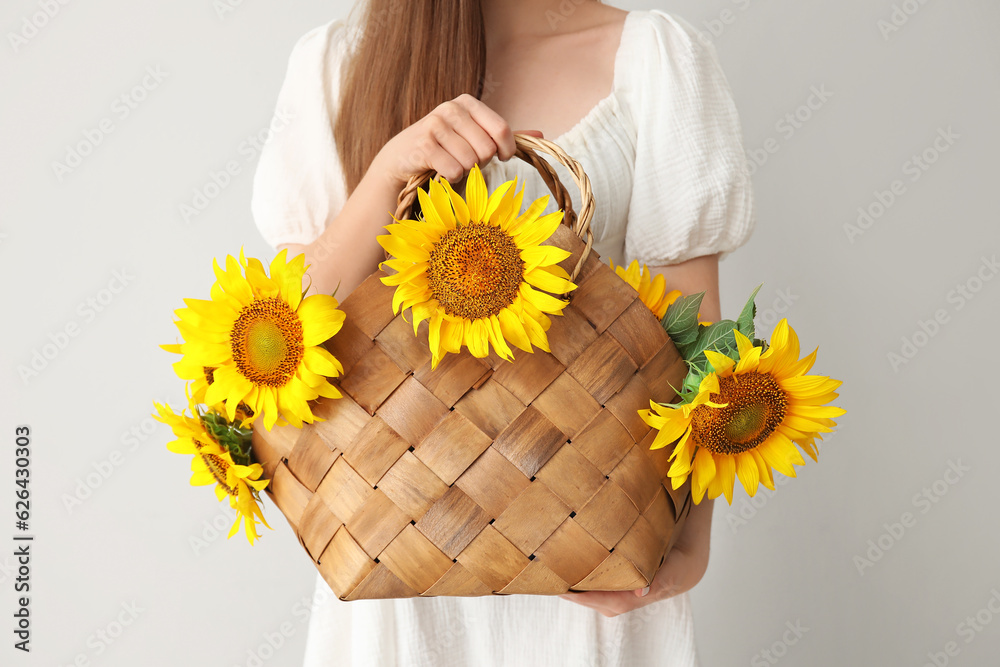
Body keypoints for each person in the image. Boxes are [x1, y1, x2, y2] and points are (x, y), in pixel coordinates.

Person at [251, 1, 755, 664]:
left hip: (590, 575)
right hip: (395, 577)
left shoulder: (655, 57)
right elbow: (274, 344)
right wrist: (386, 178)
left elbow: (699, 347)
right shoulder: (335, 63)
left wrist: (687, 546)